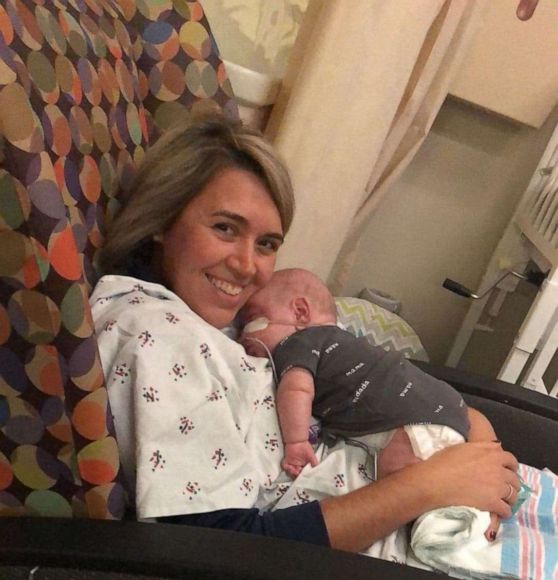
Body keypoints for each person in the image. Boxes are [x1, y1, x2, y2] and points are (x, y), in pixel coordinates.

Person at [92, 114, 519, 555]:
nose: (247, 266)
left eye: (266, 244)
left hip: (410, 485)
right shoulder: (156, 333)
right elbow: (214, 550)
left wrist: (469, 429)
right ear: (163, 219)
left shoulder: (224, 320)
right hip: (352, 566)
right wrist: (430, 484)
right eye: (225, 228)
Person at [239, 268, 504, 540]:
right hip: (446, 407)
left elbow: (296, 388)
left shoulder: (298, 342)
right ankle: (484, 514)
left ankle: (475, 525)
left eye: (252, 320)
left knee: (398, 483)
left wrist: (296, 443)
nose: (242, 337)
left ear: (300, 312)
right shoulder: (346, 341)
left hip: (412, 423)